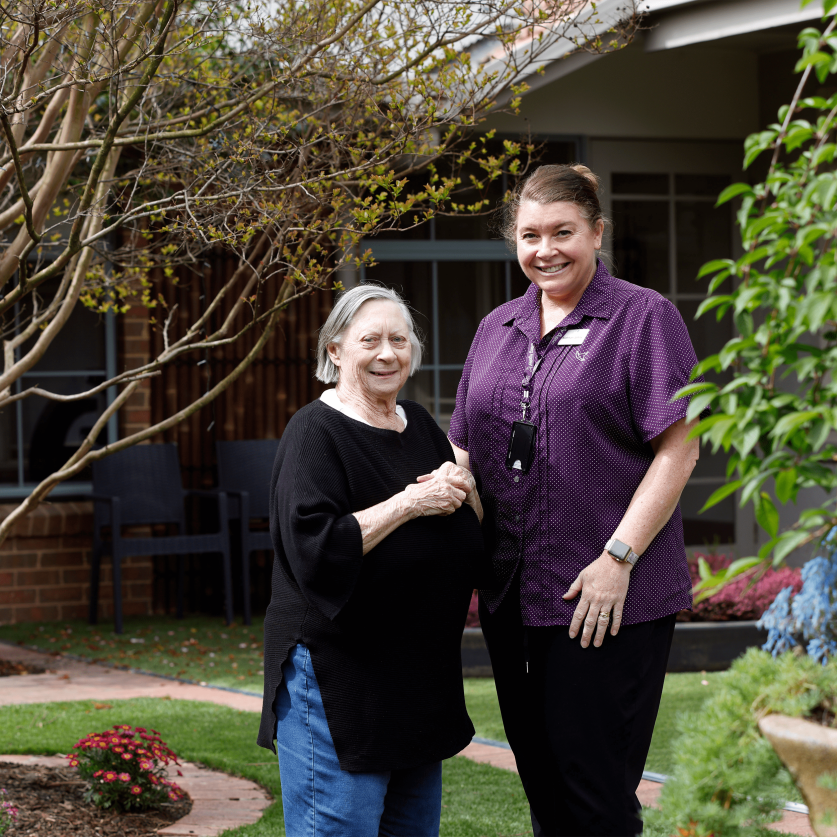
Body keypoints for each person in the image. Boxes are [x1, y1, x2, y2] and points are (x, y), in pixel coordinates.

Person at [447, 164, 702, 837]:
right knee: (543, 785)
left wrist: (617, 557)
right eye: (529, 235)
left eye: (563, 231)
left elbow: (679, 449)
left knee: (595, 795)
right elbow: (466, 453)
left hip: (605, 597)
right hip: (512, 598)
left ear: (596, 232)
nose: (545, 249)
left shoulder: (643, 317)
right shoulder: (495, 328)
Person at [256, 284, 484, 837]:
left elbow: (466, 527)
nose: (388, 353)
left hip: (415, 678)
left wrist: (465, 485)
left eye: (399, 340)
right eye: (370, 340)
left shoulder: (421, 425)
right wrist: (408, 503)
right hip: (340, 675)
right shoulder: (315, 432)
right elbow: (316, 549)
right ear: (335, 349)